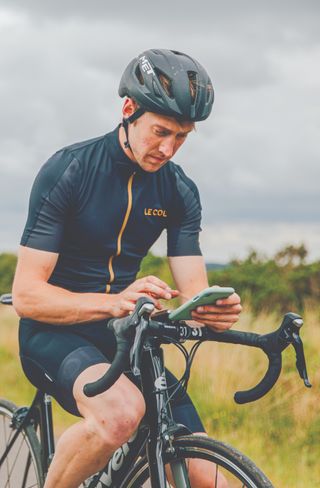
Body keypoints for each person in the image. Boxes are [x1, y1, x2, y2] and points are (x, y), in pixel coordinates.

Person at [13, 49, 242, 487]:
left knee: (208, 478)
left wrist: (214, 311)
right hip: (53, 332)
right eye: (160, 132)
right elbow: (27, 296)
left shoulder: (178, 190)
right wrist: (115, 302)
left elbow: (194, 293)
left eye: (182, 137)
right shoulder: (70, 169)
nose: (168, 148)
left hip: (127, 338)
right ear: (128, 110)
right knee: (120, 415)